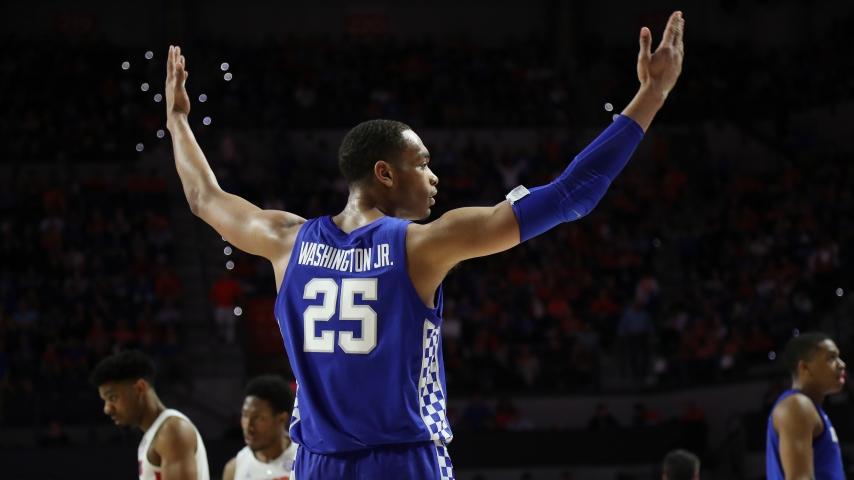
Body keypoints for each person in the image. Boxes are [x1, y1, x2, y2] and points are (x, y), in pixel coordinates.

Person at [164, 11, 684, 479]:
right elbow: (571, 195)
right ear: (385, 173)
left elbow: (203, 197)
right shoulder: (422, 246)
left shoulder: (285, 242)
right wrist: (651, 96)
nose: (434, 177)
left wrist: (178, 121)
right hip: (403, 460)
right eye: (422, 163)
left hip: (319, 464)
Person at [90, 350, 210, 480]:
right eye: (105, 401)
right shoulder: (154, 434)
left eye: (112, 397)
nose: (107, 409)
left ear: (140, 388)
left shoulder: (172, 430)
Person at [766, 332, 847, 479]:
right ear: (804, 367)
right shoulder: (797, 405)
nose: (842, 364)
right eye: (831, 358)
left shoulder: (811, 408)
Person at [223, 375, 298, 480]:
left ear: (281, 419)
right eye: (245, 415)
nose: (248, 427)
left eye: (258, 418)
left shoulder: (302, 460)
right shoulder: (234, 468)